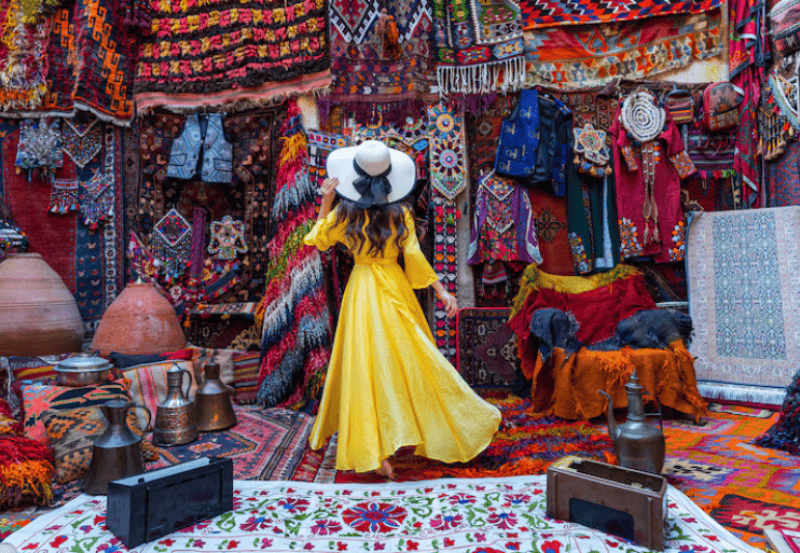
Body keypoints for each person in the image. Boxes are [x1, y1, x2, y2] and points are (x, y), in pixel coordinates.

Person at [304, 140, 502, 479]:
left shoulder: (344, 213)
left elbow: (318, 239)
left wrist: (325, 201)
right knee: (415, 359)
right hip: (394, 288)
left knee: (365, 367)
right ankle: (461, 423)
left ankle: (375, 450)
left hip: (362, 291)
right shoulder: (401, 214)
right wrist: (442, 291)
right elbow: (414, 257)